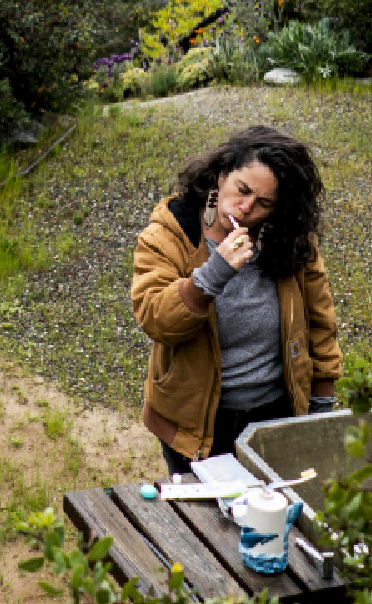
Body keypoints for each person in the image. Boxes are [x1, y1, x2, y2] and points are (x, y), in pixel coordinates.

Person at [130, 125, 341, 476]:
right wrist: (213, 274)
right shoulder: (170, 232)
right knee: (205, 526)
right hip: (197, 424)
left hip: (275, 416)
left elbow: (321, 324)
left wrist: (320, 408)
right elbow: (155, 319)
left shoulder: (289, 240)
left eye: (264, 204)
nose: (245, 208)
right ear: (221, 174)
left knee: (272, 518)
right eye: (241, 191)